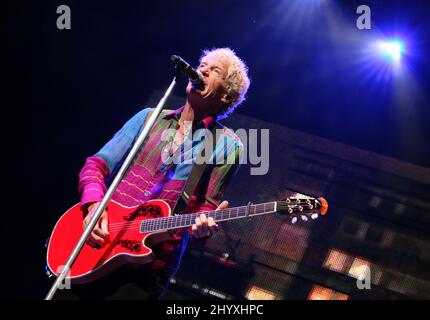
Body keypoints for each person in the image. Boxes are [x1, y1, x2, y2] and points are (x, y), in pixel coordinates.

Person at [54, 47, 250, 300]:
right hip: (95, 243)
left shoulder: (228, 145)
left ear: (227, 97)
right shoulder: (149, 118)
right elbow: (96, 166)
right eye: (203, 64)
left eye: (214, 71)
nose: (202, 70)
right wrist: (93, 208)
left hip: (146, 267)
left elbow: (205, 208)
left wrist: (203, 226)